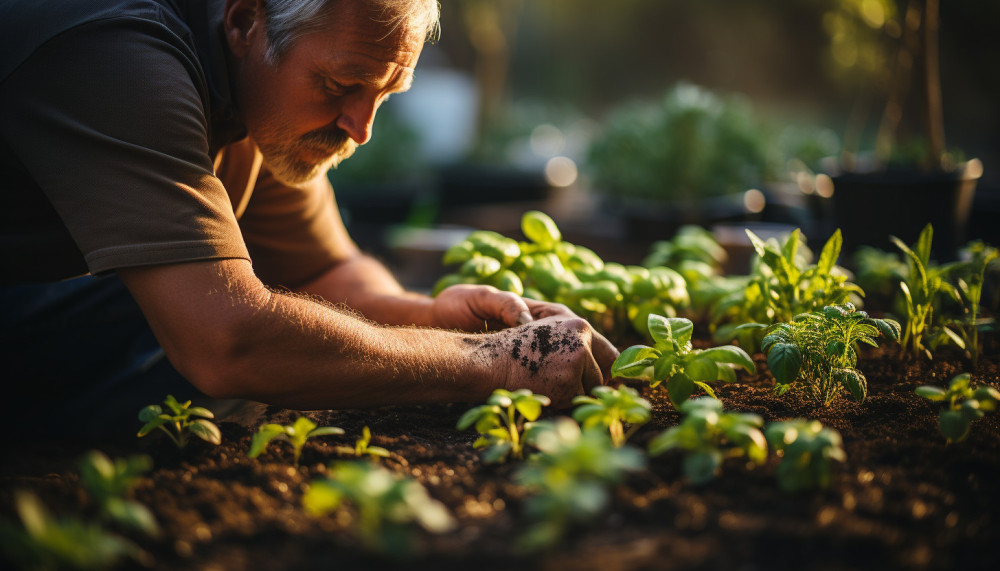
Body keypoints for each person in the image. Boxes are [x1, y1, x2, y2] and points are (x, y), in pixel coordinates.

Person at [0, 0, 618, 440]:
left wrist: (428, 317)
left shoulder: (260, 90)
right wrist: (498, 365)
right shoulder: (118, 56)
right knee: (176, 325)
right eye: (340, 84)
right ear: (245, 22)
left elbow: (324, 269)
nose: (362, 127)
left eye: (384, 93)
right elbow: (227, 342)